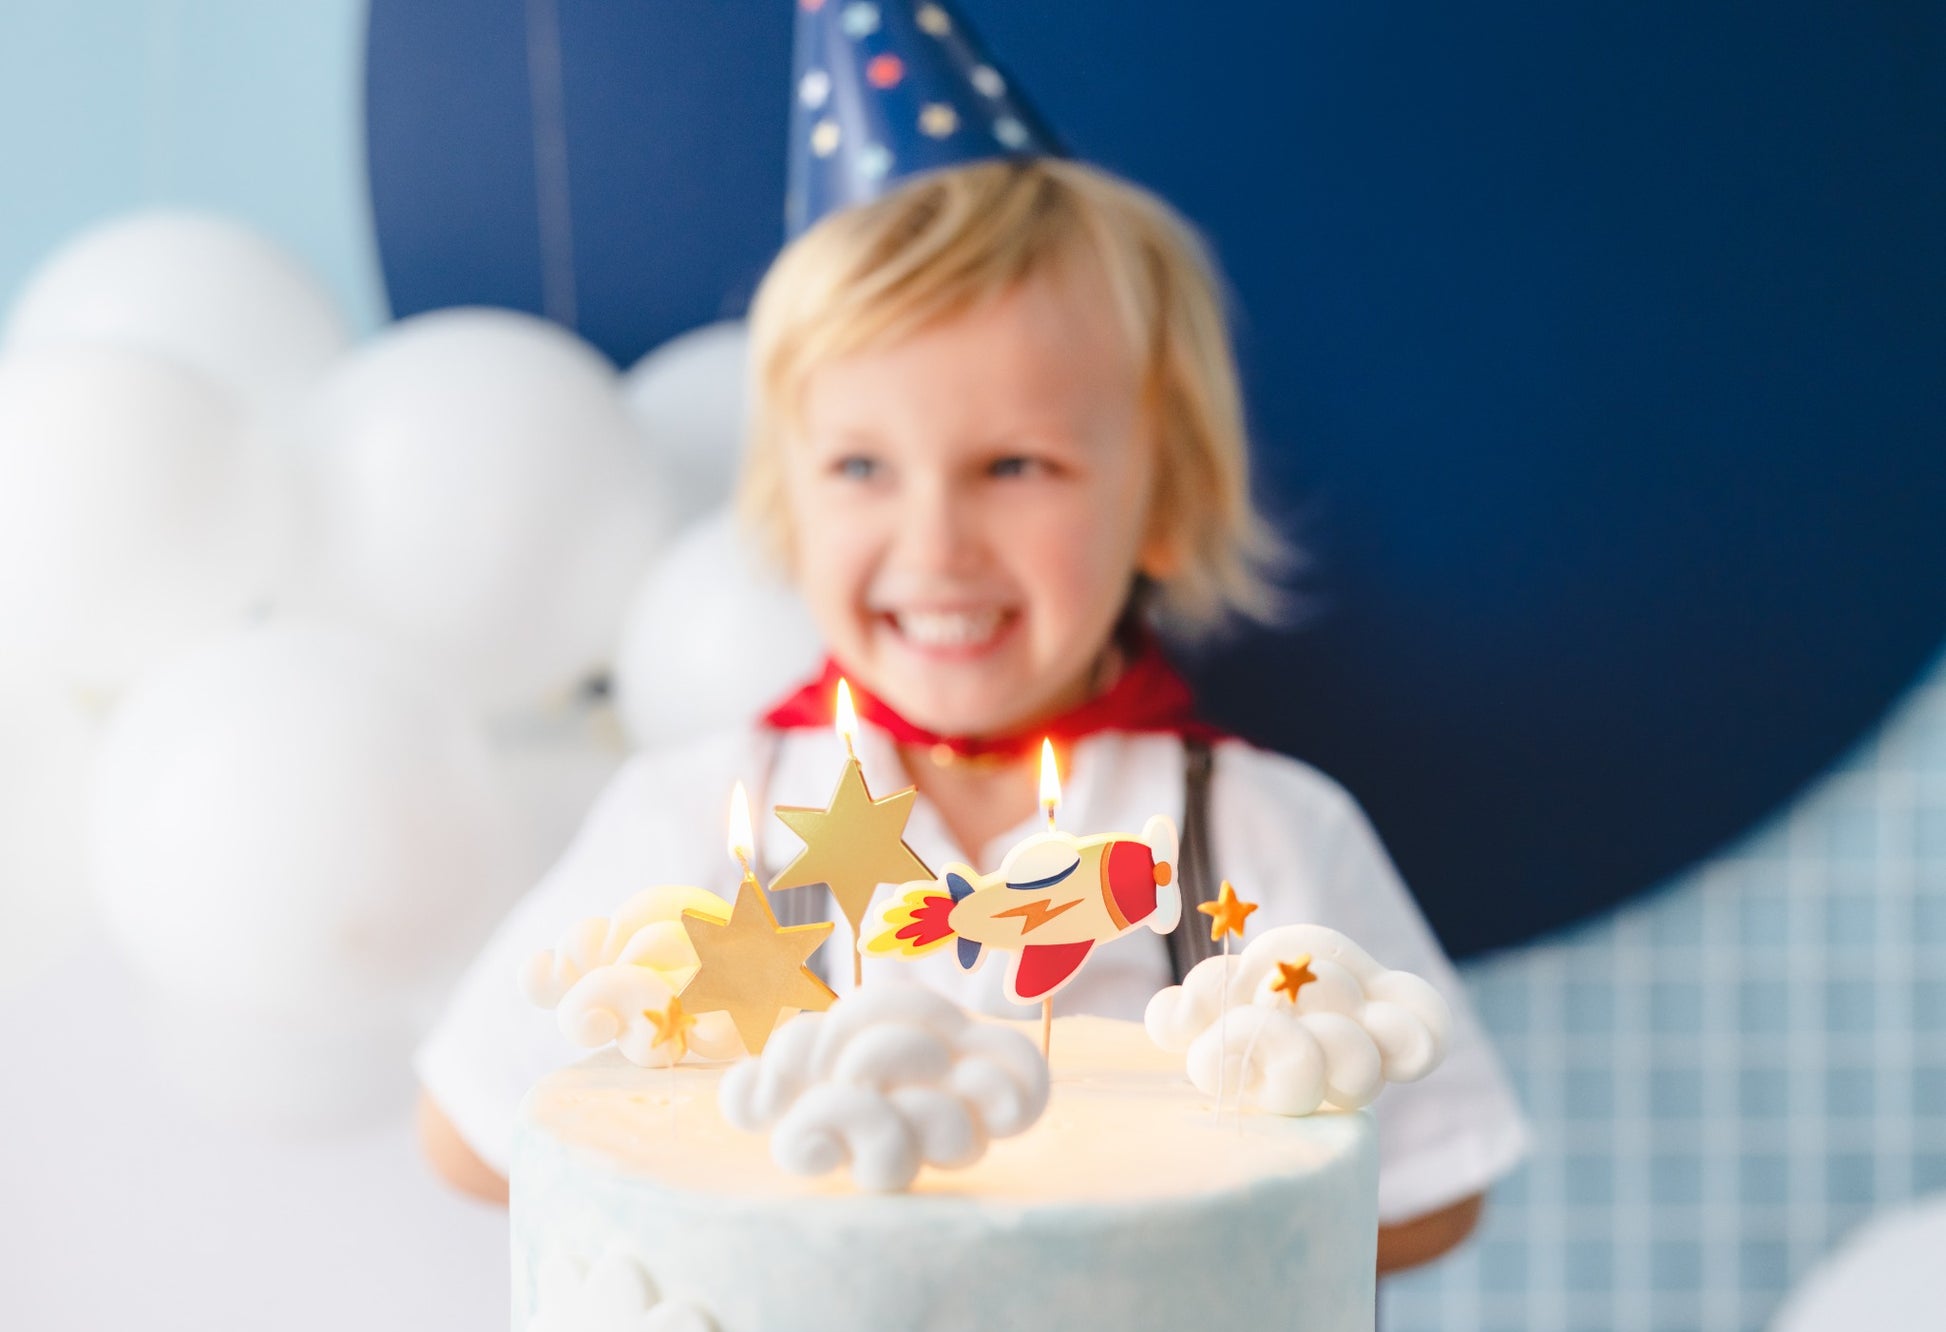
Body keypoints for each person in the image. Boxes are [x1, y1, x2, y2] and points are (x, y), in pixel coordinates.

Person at [416, 152, 1528, 1273]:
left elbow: (1431, 1189)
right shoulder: (705, 813)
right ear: (785, 504)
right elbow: (468, 1136)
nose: (935, 543)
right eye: (859, 465)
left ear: (1164, 499)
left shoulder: (1256, 831)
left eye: (1013, 464)